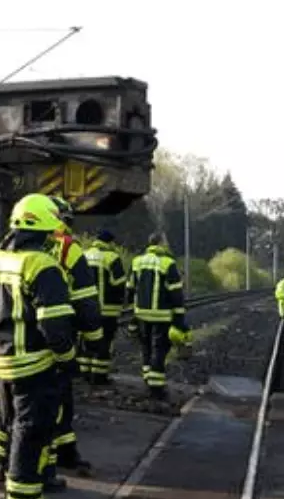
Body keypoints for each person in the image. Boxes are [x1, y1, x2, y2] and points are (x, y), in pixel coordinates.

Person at [0, 194, 79, 499]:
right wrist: (67, 357)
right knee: (31, 429)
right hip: (32, 361)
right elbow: (55, 325)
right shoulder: (42, 265)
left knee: (8, 424)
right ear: (46, 225)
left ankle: (9, 480)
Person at [47, 204, 102, 476]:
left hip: (14, 335)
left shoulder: (13, 243)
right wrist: (94, 336)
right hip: (58, 332)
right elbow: (85, 299)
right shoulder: (68, 248)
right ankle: (62, 454)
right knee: (60, 394)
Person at [127, 232, 188, 400]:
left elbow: (130, 288)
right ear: (160, 243)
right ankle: (156, 388)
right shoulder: (168, 263)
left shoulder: (137, 262)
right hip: (161, 316)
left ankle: (148, 380)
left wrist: (133, 314)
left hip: (141, 314)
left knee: (145, 348)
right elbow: (176, 294)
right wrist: (179, 321)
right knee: (159, 351)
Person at [80, 230, 128, 385]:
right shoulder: (112, 257)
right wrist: (122, 301)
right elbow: (119, 283)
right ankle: (99, 377)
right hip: (107, 310)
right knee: (104, 342)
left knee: (87, 341)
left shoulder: (84, 255)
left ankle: (84, 374)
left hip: (86, 309)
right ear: (110, 242)